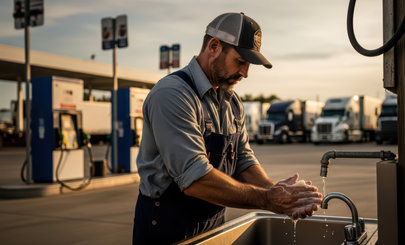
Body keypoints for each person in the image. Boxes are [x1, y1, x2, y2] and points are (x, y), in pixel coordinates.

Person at [133, 12, 323, 244]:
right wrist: (267, 200)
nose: (245, 73)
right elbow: (195, 179)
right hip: (167, 228)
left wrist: (278, 191)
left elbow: (243, 159)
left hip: (213, 225)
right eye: (241, 62)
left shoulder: (232, 103)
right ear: (214, 47)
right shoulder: (173, 95)